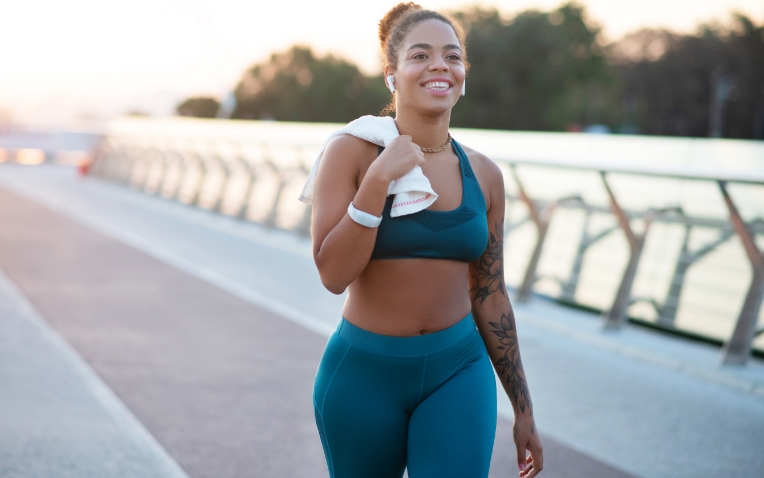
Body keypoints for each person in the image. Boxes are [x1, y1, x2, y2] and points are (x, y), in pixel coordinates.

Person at [307, 3, 543, 477]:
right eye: (421, 55)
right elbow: (333, 274)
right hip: (363, 375)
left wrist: (524, 409)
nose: (440, 65)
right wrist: (377, 181)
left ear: (463, 76)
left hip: (458, 369)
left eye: (452, 57)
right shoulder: (350, 152)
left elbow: (491, 293)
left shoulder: (485, 174)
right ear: (392, 75)